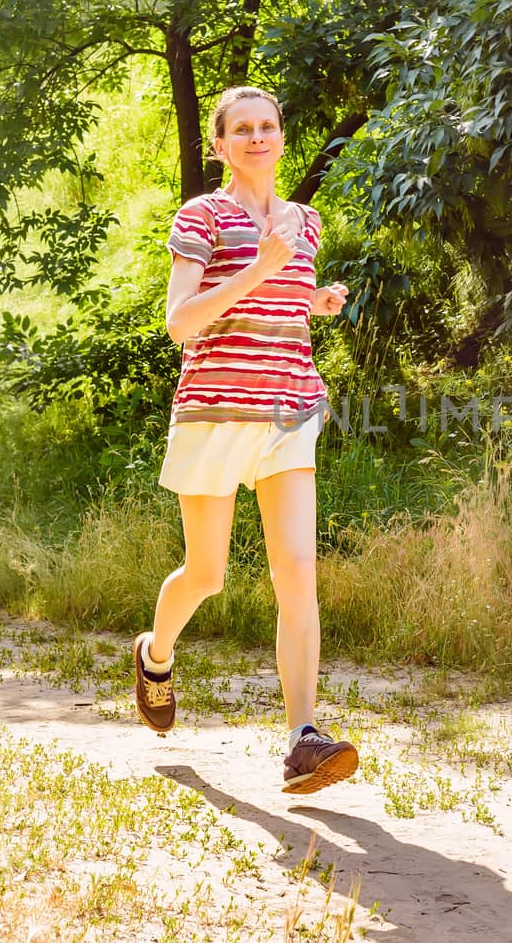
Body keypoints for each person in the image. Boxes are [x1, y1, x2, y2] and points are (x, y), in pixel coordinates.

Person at [132, 84, 357, 796]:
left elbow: (278, 313)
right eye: (243, 129)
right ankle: (156, 652)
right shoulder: (203, 216)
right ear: (221, 145)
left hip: (289, 410)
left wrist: (310, 300)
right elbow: (180, 322)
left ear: (283, 138)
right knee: (208, 573)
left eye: (269, 126)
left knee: (297, 572)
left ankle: (302, 737)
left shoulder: (306, 223)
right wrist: (260, 269)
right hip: (214, 412)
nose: (258, 136)